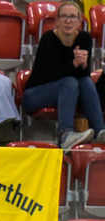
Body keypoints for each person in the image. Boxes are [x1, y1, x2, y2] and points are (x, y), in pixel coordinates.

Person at [21, 1, 105, 150]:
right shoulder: (48, 39)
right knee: (69, 82)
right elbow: (48, 75)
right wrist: (74, 64)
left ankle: (100, 131)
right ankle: (66, 134)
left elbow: (82, 75)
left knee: (85, 80)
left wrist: (84, 65)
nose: (68, 21)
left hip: (66, 92)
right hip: (36, 94)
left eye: (72, 17)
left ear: (79, 21)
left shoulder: (84, 38)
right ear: (57, 20)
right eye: (64, 16)